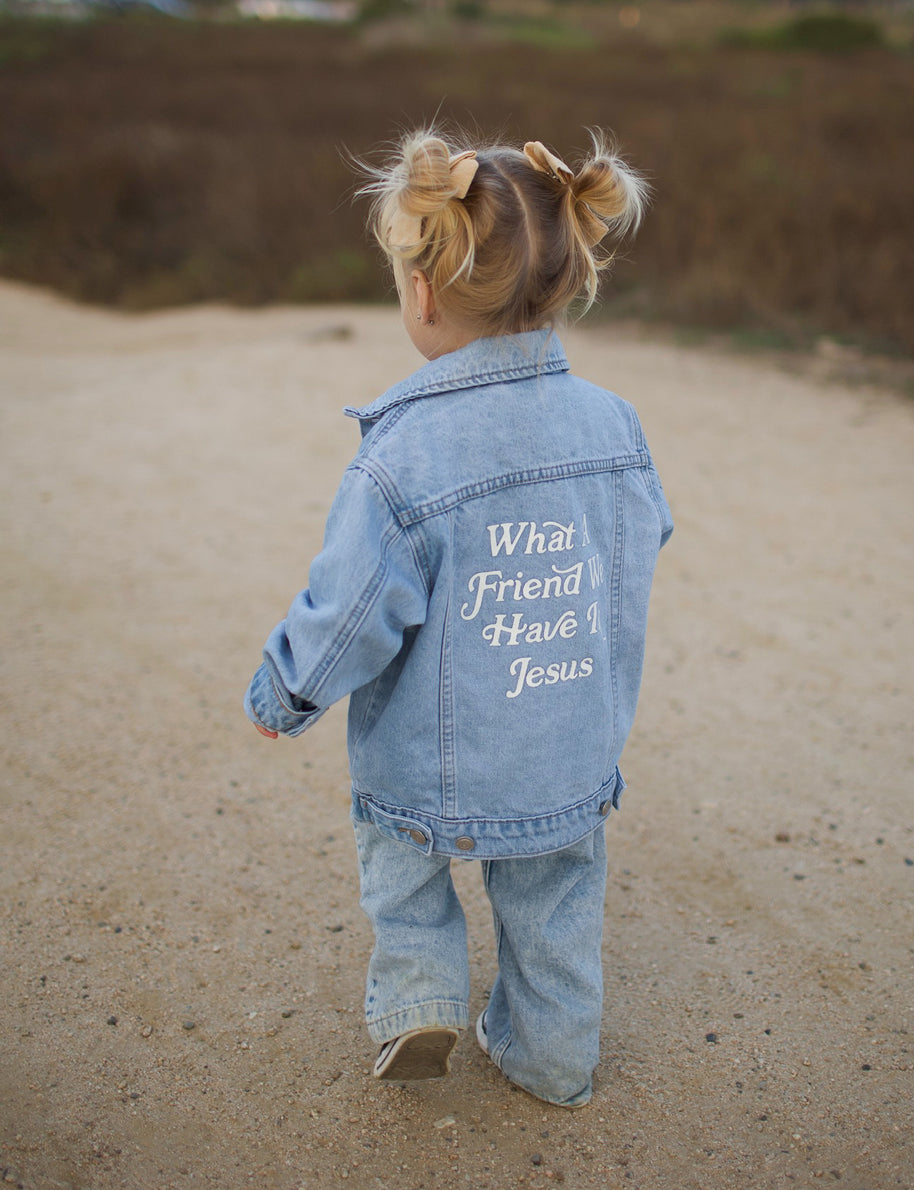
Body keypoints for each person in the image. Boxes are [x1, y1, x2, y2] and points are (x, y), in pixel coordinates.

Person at [244, 129, 673, 1108]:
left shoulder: (404, 454)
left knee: (404, 871)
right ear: (564, 281)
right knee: (556, 911)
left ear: (423, 293)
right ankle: (551, 1060)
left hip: (422, 765)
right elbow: (644, 538)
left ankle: (419, 1001)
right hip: (564, 756)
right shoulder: (615, 425)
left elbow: (351, 607)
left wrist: (286, 693)